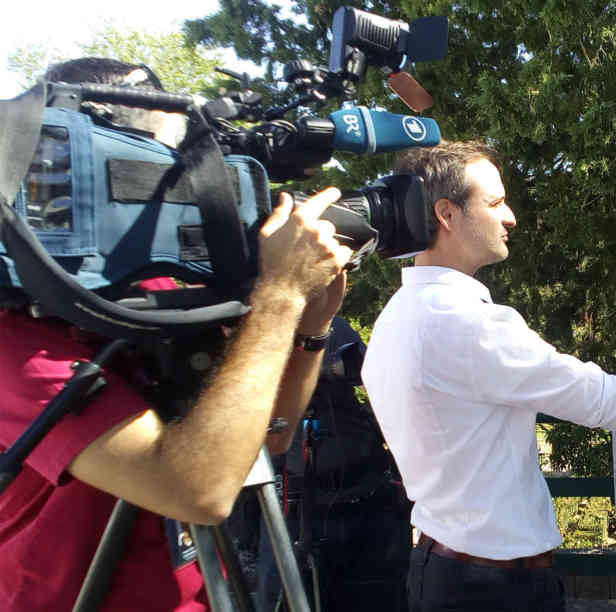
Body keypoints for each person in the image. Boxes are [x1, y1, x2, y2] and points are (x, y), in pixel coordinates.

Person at [360, 140, 616, 612]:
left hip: (441, 569)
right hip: (492, 589)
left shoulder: (397, 314)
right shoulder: (468, 324)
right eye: (494, 203)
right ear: (446, 214)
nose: (510, 216)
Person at [0, 57, 353, 611]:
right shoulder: (15, 339)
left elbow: (267, 438)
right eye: (164, 165)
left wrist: (309, 326)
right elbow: (200, 490)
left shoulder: (161, 291)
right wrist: (278, 296)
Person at [255, 315, 411, 612]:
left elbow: (366, 375)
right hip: (298, 507)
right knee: (285, 594)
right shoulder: (261, 333)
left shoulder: (331, 326)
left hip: (364, 501)